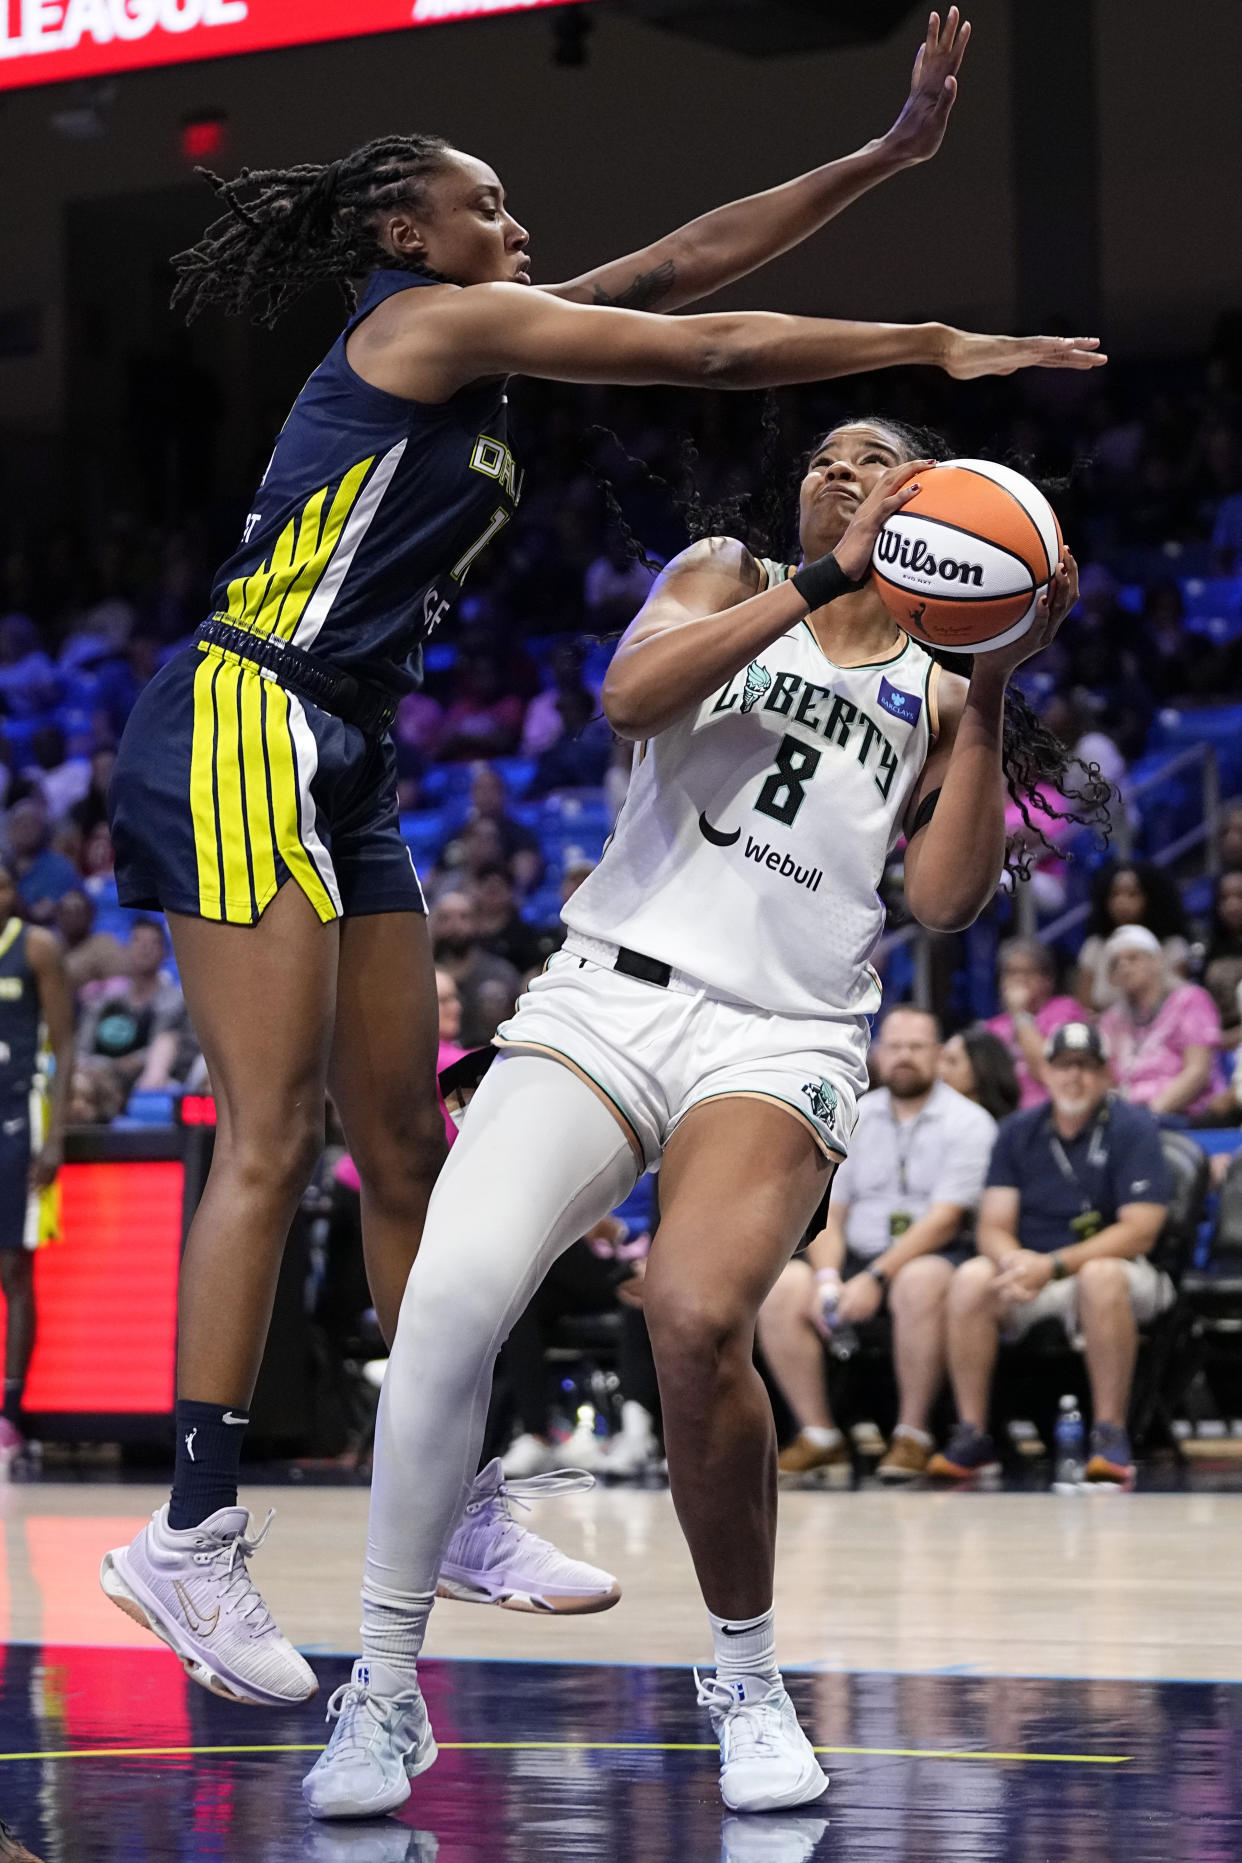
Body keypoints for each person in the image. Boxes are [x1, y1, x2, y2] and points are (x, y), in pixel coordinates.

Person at [102, 6, 1102, 1714]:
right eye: (490, 207)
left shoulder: (489, 336)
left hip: (347, 741)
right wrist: (933, 337)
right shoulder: (424, 320)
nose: (521, 232)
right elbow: (712, 350)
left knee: (407, 1136)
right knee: (273, 1131)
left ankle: (464, 1476)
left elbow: (692, 259)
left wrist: (880, 155)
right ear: (404, 236)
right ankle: (189, 1530)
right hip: (246, 712)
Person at [303, 389, 1091, 1819]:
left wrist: (989, 681)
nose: (840, 470)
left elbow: (943, 898)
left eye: (878, 461)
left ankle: (744, 1674)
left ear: (938, 506)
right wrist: (825, 577)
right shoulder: (730, 576)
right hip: (605, 990)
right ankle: (379, 1678)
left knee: (693, 1311)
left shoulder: (932, 676)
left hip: (779, 1028)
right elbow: (628, 697)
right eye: (821, 460)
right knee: (450, 1296)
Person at [758, 1007, 997, 1486]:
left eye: (917, 1047)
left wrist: (874, 1278)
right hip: (854, 1253)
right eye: (895, 1046)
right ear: (877, 1052)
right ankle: (820, 1434)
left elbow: (946, 1219)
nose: (904, 1057)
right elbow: (831, 1212)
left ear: (938, 1053)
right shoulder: (856, 1113)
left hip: (932, 1255)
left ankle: (913, 1432)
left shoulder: (969, 1121)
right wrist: (829, 1278)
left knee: (918, 1280)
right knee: (785, 1285)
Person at [930, 1022, 1173, 1486]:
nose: (1074, 1077)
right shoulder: (1018, 1131)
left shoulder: (1133, 1126)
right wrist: (1014, 1262)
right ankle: (973, 1434)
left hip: (1118, 1272)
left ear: (1106, 1074)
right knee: (970, 1279)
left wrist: (1054, 1265)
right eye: (1063, 1066)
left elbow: (1141, 1231)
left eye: (1086, 1066)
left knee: (1100, 1276)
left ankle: (1109, 1435)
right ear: (1045, 1072)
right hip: (1034, 1270)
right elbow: (993, 1226)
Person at [0, 861, 74, 1472]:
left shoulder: (37, 946)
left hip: (18, 1123)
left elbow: (67, 1044)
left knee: (13, 1270)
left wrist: (56, 1138)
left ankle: (11, 1414)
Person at [1098, 925, 1222, 1115]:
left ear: (1156, 961)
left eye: (1133, 958)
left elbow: (1198, 1072)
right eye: (1115, 963)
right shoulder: (1111, 1020)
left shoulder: (1190, 1001)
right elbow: (1105, 1079)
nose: (1123, 967)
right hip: (1130, 1118)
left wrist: (1149, 1115)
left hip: (1186, 1116)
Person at [76, 919, 195, 1102]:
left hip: (151, 1082)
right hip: (97, 1079)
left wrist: (131, 1064)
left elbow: (174, 1053)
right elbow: (82, 1050)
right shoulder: (103, 1001)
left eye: (153, 943)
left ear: (165, 952)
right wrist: (103, 1068)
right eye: (137, 941)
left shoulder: (176, 1002)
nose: (144, 948)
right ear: (126, 949)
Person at [1075, 862, 1191, 1010]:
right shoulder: (1094, 946)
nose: (1122, 903)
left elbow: (1179, 1002)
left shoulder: (1173, 945)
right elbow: (1084, 1008)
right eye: (1115, 894)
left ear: (1151, 897)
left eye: (1132, 894)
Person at [985, 937, 1081, 1106]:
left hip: (1052, 1107)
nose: (1018, 979)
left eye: (1027, 972)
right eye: (1011, 972)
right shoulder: (992, 1028)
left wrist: (1020, 1015)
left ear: (1048, 980)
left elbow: (1048, 1072)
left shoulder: (1065, 1011)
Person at [429, 891, 521, 1048]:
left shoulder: (502, 973)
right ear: (433, 923)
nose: (455, 926)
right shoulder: (424, 976)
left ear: (477, 922)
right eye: (445, 918)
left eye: (464, 917)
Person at [6, 800, 80, 926]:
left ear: (44, 829)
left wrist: (11, 900)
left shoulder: (60, 867)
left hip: (46, 937)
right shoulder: (4, 865)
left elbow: (41, 914)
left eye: (31, 824)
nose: (24, 829)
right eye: (19, 823)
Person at [937, 1026, 1021, 1124]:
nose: (941, 1070)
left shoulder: (1013, 1128)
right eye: (941, 1061)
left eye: (952, 1062)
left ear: (981, 1069)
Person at [1201, 870, 1242, 1050]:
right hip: (1217, 1037)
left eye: (1240, 896)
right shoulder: (1209, 947)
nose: (1232, 905)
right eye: (1224, 898)